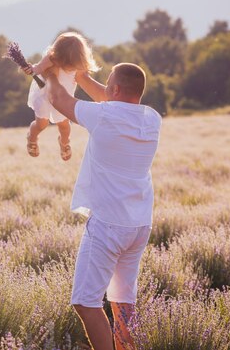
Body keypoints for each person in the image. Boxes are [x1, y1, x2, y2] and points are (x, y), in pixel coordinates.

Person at [22, 62, 161, 350]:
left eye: (108, 82)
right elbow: (109, 99)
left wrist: (49, 69)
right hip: (139, 224)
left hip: (109, 225)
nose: (105, 88)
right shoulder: (152, 118)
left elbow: (59, 99)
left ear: (116, 89)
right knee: (123, 302)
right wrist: (81, 76)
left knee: (85, 303)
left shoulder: (104, 115)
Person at [25, 32, 99, 160]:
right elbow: (38, 68)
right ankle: (32, 137)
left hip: (63, 98)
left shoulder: (78, 65)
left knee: (64, 126)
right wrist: (31, 69)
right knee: (41, 124)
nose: (70, 67)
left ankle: (64, 142)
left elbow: (84, 77)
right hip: (44, 95)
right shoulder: (51, 58)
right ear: (59, 55)